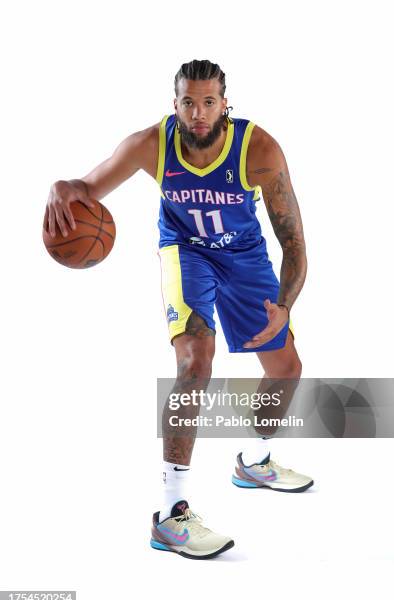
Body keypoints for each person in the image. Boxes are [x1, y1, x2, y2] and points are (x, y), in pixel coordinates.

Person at [44, 59, 313, 560]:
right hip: (186, 252)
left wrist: (284, 304)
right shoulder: (151, 143)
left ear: (225, 104)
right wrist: (63, 187)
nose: (198, 112)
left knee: (288, 370)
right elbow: (85, 188)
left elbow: (293, 241)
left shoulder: (260, 149)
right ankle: (172, 513)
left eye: (209, 101)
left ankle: (254, 461)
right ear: (176, 104)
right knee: (195, 365)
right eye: (188, 102)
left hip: (245, 255)